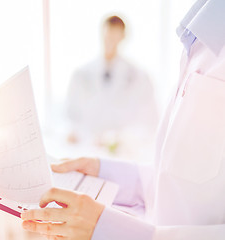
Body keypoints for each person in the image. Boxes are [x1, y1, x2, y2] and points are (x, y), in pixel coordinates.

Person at [21, 0, 225, 239]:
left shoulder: (141, 77)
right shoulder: (198, 42)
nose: (110, 41)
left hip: (125, 150)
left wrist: (110, 230)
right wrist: (104, 170)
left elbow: (148, 124)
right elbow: (177, 186)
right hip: (92, 156)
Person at [66, 15, 158, 147]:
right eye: (108, 35)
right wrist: (81, 135)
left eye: (115, 36)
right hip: (87, 148)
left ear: (123, 37)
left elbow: (150, 122)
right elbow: (69, 117)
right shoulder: (81, 74)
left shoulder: (139, 77)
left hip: (123, 152)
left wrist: (120, 139)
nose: (111, 41)